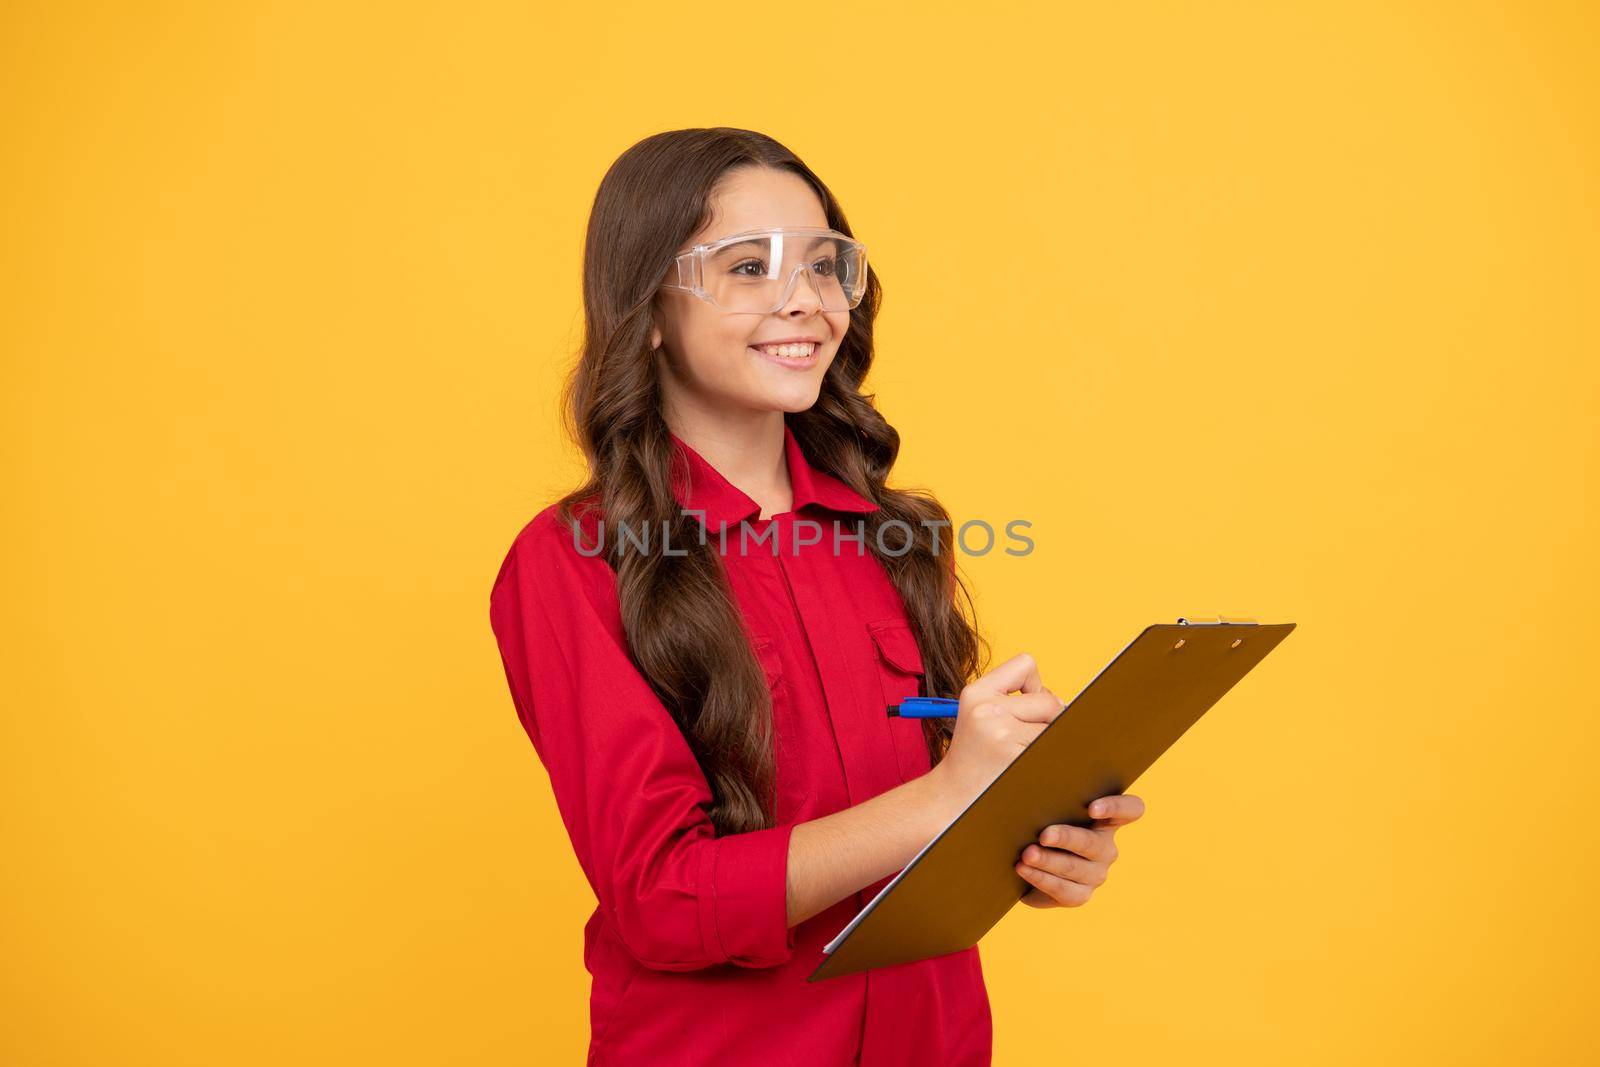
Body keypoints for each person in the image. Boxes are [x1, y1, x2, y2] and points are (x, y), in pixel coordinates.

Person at [487, 127, 1146, 1066]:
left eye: (827, 265)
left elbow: (920, 830)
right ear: (652, 309)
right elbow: (662, 898)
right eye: (749, 266)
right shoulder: (574, 562)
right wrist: (943, 798)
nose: (807, 301)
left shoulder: (897, 535)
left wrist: (1026, 837)